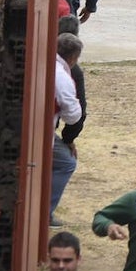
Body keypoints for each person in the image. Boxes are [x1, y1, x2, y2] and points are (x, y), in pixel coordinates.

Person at [48, 33, 83, 227]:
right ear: (73, 58)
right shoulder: (62, 76)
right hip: (44, 132)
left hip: (39, 126)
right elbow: (73, 114)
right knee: (66, 163)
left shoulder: (47, 62)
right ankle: (45, 211)